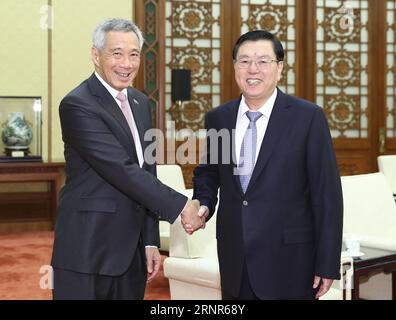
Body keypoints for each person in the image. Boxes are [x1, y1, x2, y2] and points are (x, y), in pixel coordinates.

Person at [51, 18, 203, 300]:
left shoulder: (140, 102)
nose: (127, 63)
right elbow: (120, 170)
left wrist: (149, 241)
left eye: (134, 54)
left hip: (132, 252)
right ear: (96, 55)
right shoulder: (77, 104)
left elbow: (147, 170)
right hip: (88, 248)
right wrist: (183, 204)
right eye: (116, 53)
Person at [190, 30, 343, 300]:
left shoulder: (308, 118)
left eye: (263, 61)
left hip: (291, 260)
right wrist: (202, 206)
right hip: (235, 257)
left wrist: (327, 261)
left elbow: (327, 195)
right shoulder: (219, 118)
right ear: (235, 66)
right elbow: (210, 174)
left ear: (280, 68)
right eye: (244, 61)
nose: (253, 69)